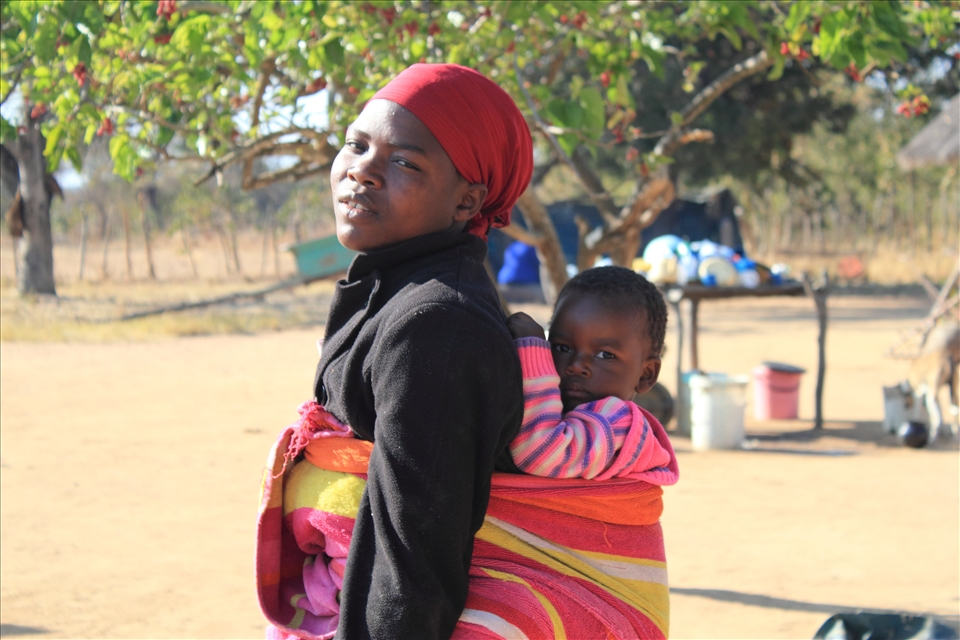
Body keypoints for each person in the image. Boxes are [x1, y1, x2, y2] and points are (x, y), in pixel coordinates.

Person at [258, 63, 533, 640]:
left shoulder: (436, 324)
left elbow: (412, 564)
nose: (362, 171)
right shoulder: (396, 290)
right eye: (356, 145)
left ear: (467, 201)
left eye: (405, 162)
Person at [506, 266, 677, 482]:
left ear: (646, 375)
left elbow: (541, 455)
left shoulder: (620, 425)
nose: (577, 366)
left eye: (605, 355)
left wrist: (531, 349)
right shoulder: (558, 407)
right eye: (562, 348)